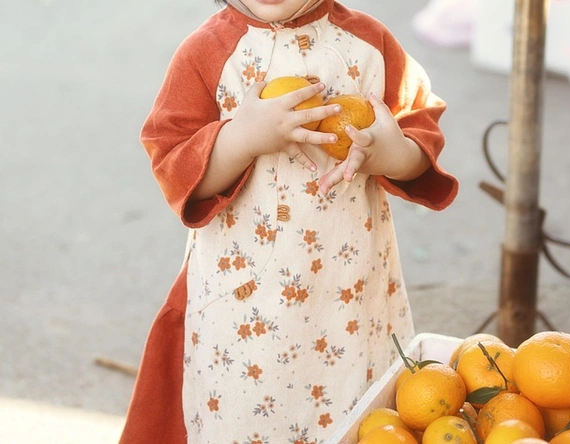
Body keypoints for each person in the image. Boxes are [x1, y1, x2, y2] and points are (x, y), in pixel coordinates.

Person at [119, 0, 458, 442]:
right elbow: (175, 166)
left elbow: (420, 131)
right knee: (245, 417)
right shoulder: (207, 52)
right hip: (245, 308)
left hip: (351, 295)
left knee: (358, 415)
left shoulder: (368, 45)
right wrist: (241, 138)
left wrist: (392, 154)